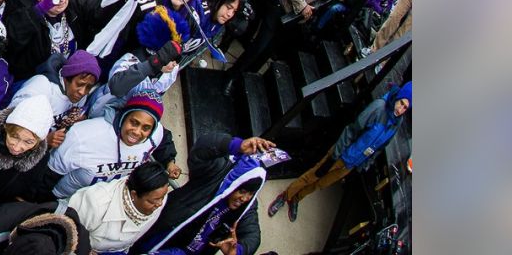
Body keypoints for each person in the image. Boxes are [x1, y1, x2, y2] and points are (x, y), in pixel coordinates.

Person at [267, 82, 411, 222]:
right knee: (312, 176)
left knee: (321, 184)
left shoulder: (396, 123)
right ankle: (285, 197)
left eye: (406, 108)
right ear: (398, 96)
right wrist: (336, 154)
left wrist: (364, 164)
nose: (401, 109)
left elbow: (380, 148)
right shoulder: (379, 107)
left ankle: (296, 198)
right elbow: (353, 130)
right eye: (401, 103)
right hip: (341, 154)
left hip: (351, 164)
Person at [137, 133, 274, 255]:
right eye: (242, 191)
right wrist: (235, 145)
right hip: (160, 232)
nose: (244, 198)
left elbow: (253, 236)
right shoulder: (216, 173)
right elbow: (201, 149)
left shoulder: (246, 206)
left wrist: (238, 250)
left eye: (251, 193)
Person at [50, 88, 180, 197]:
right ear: (123, 116)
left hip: (104, 201)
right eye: (134, 122)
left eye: (146, 128)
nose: (137, 132)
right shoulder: (83, 134)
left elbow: (164, 139)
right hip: (64, 198)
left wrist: (169, 162)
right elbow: (50, 173)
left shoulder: (156, 134)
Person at [64, 161, 171, 255]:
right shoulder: (94, 202)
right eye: (152, 201)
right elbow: (65, 236)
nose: (159, 204)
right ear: (134, 194)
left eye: (162, 197)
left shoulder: (159, 196)